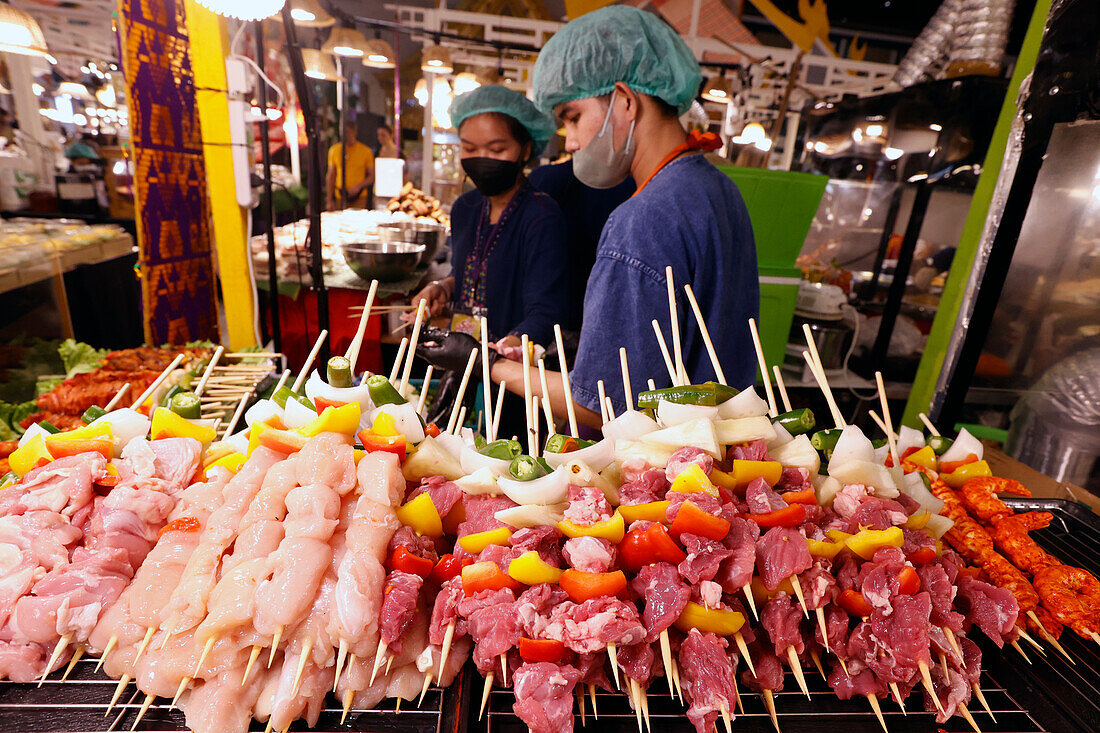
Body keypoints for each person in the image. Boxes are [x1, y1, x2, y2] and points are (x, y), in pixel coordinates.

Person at [421, 6, 758, 430]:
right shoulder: (720, 190)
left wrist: (485, 363)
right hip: (719, 458)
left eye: (574, 117)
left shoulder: (641, 220)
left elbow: (603, 404)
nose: (573, 140)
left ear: (626, 101)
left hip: (662, 469)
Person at [408, 84, 570, 349]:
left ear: (525, 150)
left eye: (496, 150)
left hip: (511, 374)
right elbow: (472, 272)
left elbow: (546, 312)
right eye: (470, 149)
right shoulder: (464, 208)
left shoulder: (542, 217)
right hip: (461, 357)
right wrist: (445, 287)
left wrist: (505, 351)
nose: (482, 159)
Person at [529, 159, 635, 331]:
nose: (571, 142)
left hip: (564, 312)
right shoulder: (550, 180)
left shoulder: (547, 179)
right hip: (590, 310)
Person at [326, 118, 375, 209]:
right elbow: (331, 175)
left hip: (359, 196)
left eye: (347, 132)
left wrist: (358, 186)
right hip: (340, 196)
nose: (345, 135)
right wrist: (329, 200)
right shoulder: (334, 150)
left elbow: (372, 176)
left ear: (354, 132)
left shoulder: (366, 151)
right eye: (342, 132)